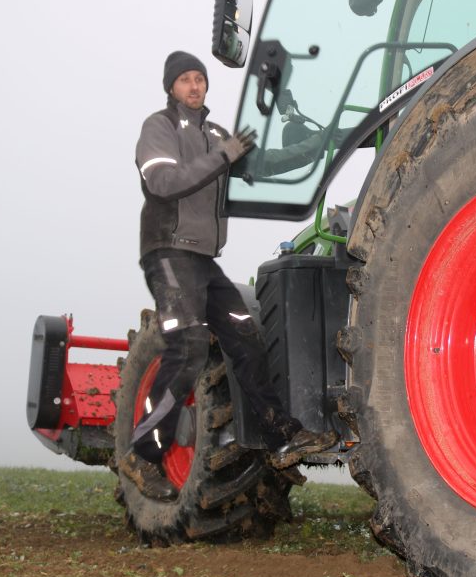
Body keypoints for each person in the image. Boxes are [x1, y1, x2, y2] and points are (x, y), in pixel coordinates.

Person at [120, 50, 337, 500]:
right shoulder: (158, 127)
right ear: (171, 87)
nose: (195, 86)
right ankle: (142, 455)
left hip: (202, 259)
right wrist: (223, 155)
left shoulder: (218, 134)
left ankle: (280, 436)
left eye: (200, 78)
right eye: (185, 80)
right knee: (190, 346)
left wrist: (325, 143)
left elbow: (263, 164)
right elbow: (162, 182)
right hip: (167, 251)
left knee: (247, 340)